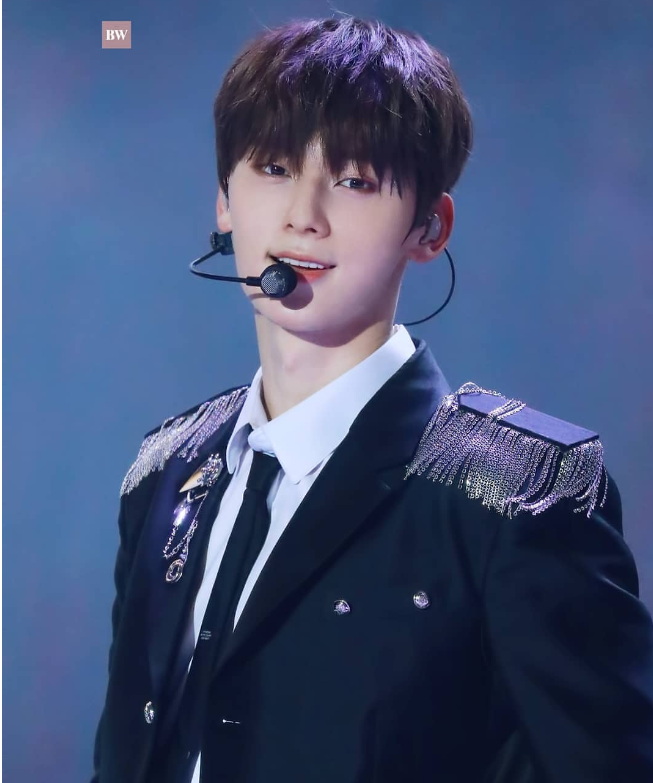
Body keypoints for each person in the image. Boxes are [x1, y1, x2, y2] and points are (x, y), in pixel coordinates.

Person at [90, 16, 653, 783]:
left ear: (430, 226)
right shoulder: (165, 474)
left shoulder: (513, 496)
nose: (303, 215)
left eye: (352, 180)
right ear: (223, 200)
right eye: (274, 168)